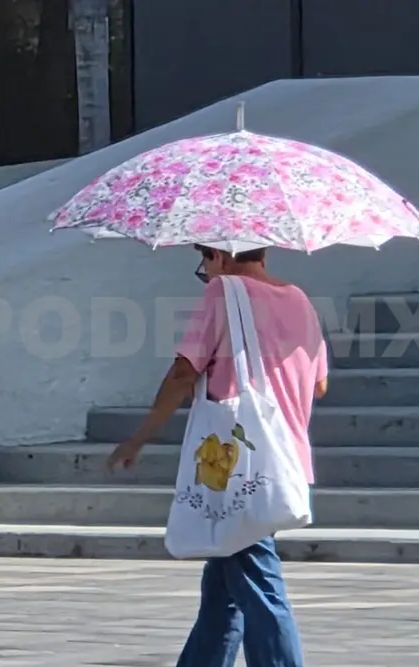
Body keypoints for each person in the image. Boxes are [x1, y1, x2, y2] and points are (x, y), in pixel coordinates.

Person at [106, 244, 328, 667]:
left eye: (203, 260)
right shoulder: (300, 299)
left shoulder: (223, 292)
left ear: (218, 254)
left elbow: (183, 372)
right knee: (224, 589)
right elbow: (319, 386)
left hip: (236, 465)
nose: (204, 272)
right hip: (284, 457)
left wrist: (139, 437)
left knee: (259, 586)